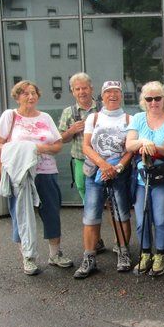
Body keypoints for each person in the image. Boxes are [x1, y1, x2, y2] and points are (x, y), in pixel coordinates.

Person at [0, 80, 72, 275]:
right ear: (17, 97)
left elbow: (57, 145)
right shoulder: (10, 116)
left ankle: (55, 254)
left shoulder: (45, 117)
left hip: (46, 171)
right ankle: (28, 257)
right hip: (20, 174)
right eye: (25, 93)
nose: (30, 97)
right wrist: (22, 149)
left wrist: (37, 148)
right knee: (20, 214)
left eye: (34, 93)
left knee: (51, 212)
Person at [73, 81, 134, 279]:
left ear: (121, 95)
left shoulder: (129, 119)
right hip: (95, 172)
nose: (112, 95)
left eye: (116, 92)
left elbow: (130, 149)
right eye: (108, 92)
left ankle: (123, 251)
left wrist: (118, 167)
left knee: (121, 214)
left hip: (119, 173)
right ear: (102, 96)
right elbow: (86, 146)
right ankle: (89, 257)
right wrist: (103, 165)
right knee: (91, 215)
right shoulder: (94, 117)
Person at [125, 81, 164, 277]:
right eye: (149, 98)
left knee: (160, 219)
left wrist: (154, 147)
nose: (153, 102)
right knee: (142, 219)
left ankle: (160, 254)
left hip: (161, 178)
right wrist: (143, 141)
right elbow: (129, 145)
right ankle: (145, 253)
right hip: (141, 179)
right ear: (143, 100)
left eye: (157, 98)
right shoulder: (138, 118)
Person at [57, 73, 105, 254]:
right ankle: (96, 239)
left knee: (110, 201)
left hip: (104, 161)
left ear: (91, 89)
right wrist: (72, 130)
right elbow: (60, 139)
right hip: (81, 161)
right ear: (72, 92)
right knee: (89, 203)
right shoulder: (69, 112)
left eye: (84, 88)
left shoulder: (103, 108)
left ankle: (119, 241)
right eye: (77, 89)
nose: (81, 92)